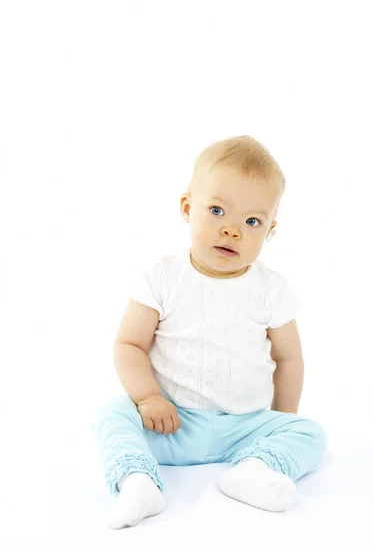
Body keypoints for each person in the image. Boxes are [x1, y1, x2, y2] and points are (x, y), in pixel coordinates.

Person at [91, 134, 327, 529]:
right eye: (217, 211)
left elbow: (289, 358)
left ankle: (255, 468)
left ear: (269, 230)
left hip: (245, 427)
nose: (232, 230)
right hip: (171, 423)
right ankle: (138, 482)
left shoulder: (272, 288)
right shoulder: (162, 276)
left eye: (252, 221)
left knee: (310, 433)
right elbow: (129, 344)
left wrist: (279, 424)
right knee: (111, 414)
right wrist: (148, 398)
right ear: (187, 207)